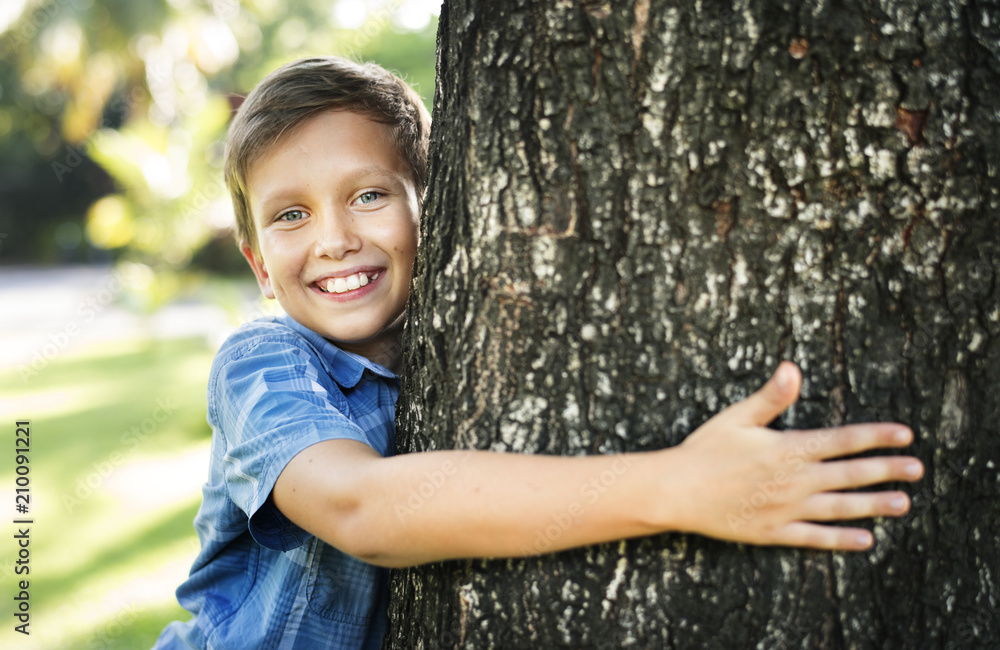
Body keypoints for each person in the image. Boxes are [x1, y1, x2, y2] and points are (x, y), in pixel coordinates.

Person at [153, 57, 924, 649]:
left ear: (442, 210)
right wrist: (678, 488)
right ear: (258, 265)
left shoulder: (457, 343)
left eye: (369, 195)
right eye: (291, 214)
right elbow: (364, 509)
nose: (334, 239)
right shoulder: (263, 364)